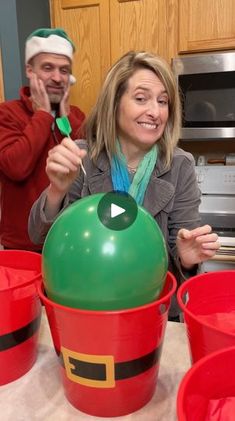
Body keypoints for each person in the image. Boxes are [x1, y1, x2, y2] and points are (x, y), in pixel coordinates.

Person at [28, 51, 220, 318]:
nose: (155, 112)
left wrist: (186, 257)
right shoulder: (83, 157)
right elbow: (38, 236)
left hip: (153, 310)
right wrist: (57, 189)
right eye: (141, 98)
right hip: (87, 305)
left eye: (163, 101)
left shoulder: (180, 165)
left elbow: (183, 248)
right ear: (114, 103)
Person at [0, 28, 85, 251]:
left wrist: (65, 116)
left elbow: (89, 172)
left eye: (64, 70)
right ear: (30, 70)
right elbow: (15, 167)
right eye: (48, 68)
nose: (57, 78)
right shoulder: (7, 113)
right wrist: (44, 114)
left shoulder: (77, 117)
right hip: (23, 245)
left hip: (71, 242)